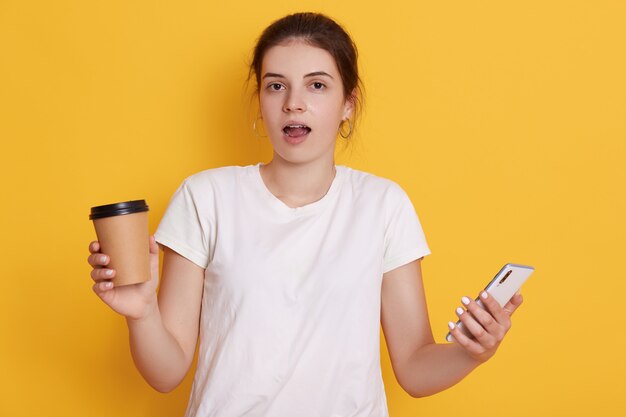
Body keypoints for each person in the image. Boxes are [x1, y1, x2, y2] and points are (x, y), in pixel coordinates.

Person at [87, 12, 524, 417]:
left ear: (348, 103)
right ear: (260, 100)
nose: (293, 103)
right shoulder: (206, 197)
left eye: (317, 85)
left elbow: (414, 369)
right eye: (276, 85)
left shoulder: (383, 205)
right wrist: (141, 313)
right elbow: (165, 374)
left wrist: (473, 351)